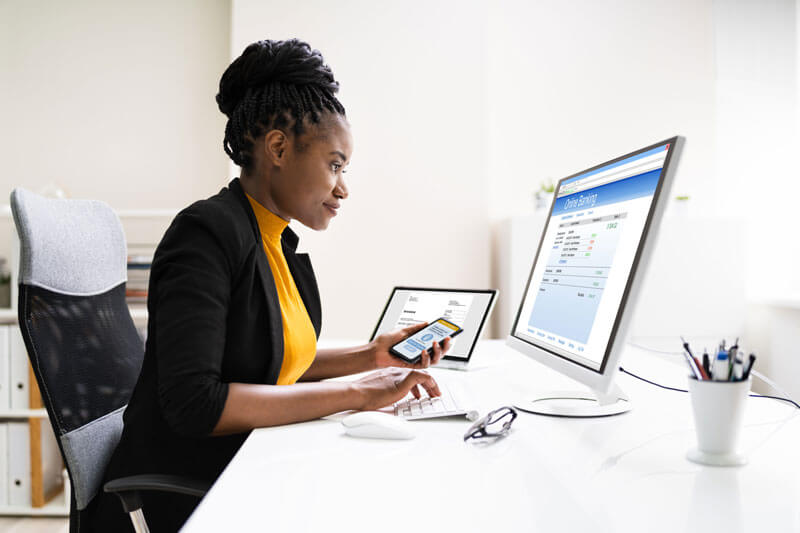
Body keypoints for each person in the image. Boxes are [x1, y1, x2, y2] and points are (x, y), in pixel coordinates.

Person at [89, 38, 451, 531]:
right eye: (335, 164)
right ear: (278, 147)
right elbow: (196, 403)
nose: (343, 187)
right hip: (183, 491)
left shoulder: (274, 243)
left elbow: (267, 364)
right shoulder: (207, 232)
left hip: (245, 466)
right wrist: (359, 394)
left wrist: (372, 357)